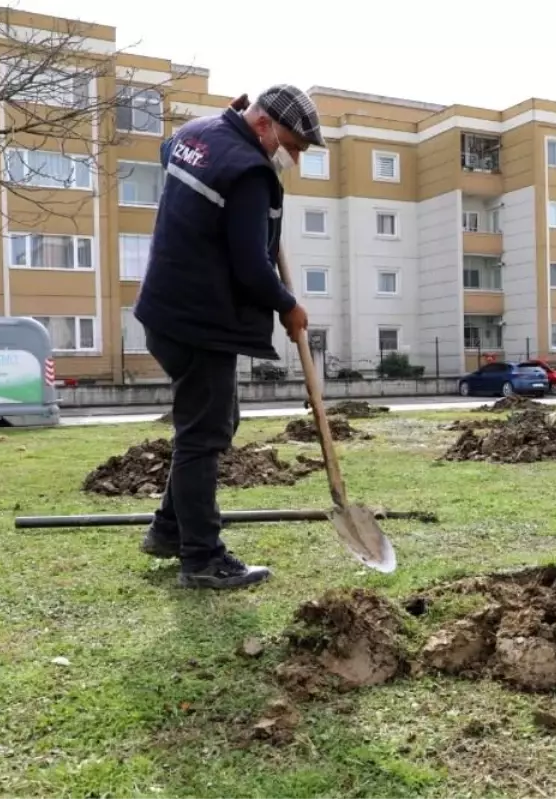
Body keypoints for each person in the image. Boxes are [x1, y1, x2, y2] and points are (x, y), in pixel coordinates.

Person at [133, 85, 322, 589]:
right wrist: (289, 305)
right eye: (294, 146)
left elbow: (165, 149)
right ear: (263, 125)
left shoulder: (196, 135)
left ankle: (169, 529)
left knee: (214, 421)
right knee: (203, 436)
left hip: (164, 312)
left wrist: (224, 119)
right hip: (200, 320)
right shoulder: (249, 172)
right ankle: (202, 558)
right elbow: (250, 267)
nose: (294, 159)